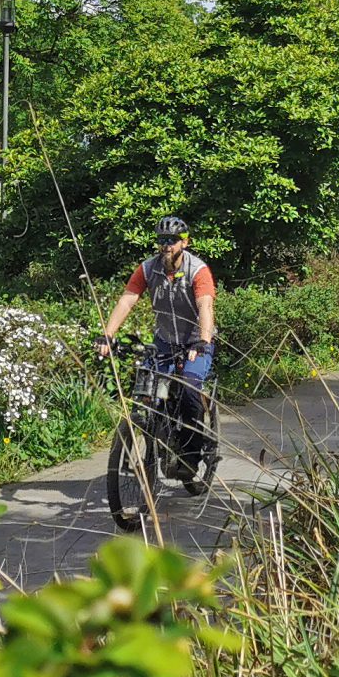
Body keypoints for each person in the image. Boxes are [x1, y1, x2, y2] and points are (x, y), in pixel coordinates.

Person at [97, 216, 218, 522]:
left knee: (190, 389)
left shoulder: (198, 270)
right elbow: (127, 300)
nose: (166, 246)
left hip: (194, 341)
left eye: (172, 241)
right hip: (164, 341)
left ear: (184, 242)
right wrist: (108, 335)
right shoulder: (148, 268)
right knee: (149, 394)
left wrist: (202, 341)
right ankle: (155, 438)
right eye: (162, 240)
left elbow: (205, 307)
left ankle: (190, 457)